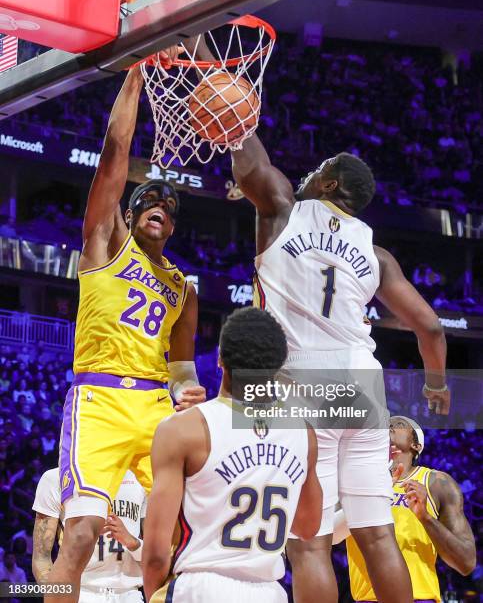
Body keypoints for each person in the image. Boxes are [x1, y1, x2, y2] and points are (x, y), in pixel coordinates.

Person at [212, 45, 450, 603]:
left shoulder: (281, 210)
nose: (311, 171)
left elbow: (239, 135)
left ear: (329, 184)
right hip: (362, 384)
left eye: (319, 169)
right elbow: (432, 328)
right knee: (375, 531)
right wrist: (436, 385)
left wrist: (204, 55)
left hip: (297, 384)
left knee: (309, 542)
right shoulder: (377, 252)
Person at [46, 54, 205, 603]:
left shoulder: (184, 287)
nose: (160, 204)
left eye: (169, 205)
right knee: (83, 534)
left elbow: (182, 369)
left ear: (175, 225)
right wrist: (136, 76)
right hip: (101, 401)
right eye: (149, 201)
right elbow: (114, 158)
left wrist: (188, 392)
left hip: (156, 409)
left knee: (179, 535)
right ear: (130, 215)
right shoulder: (106, 243)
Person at [143, 307, 322, 602]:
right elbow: (307, 526)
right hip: (269, 592)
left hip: (201, 586)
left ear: (220, 360)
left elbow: (156, 553)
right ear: (278, 367)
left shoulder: (184, 428)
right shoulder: (304, 433)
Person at [338, 416, 476, 602]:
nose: (389, 427)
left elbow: (466, 562)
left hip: (419, 598)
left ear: (416, 445)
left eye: (399, 424)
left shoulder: (436, 483)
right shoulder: (352, 482)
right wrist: (367, 503)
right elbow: (329, 536)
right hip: (367, 599)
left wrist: (425, 518)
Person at [33, 468, 147, 602]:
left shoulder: (141, 477)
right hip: (81, 592)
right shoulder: (56, 477)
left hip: (129, 593)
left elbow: (157, 555)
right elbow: (41, 558)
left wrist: (133, 542)